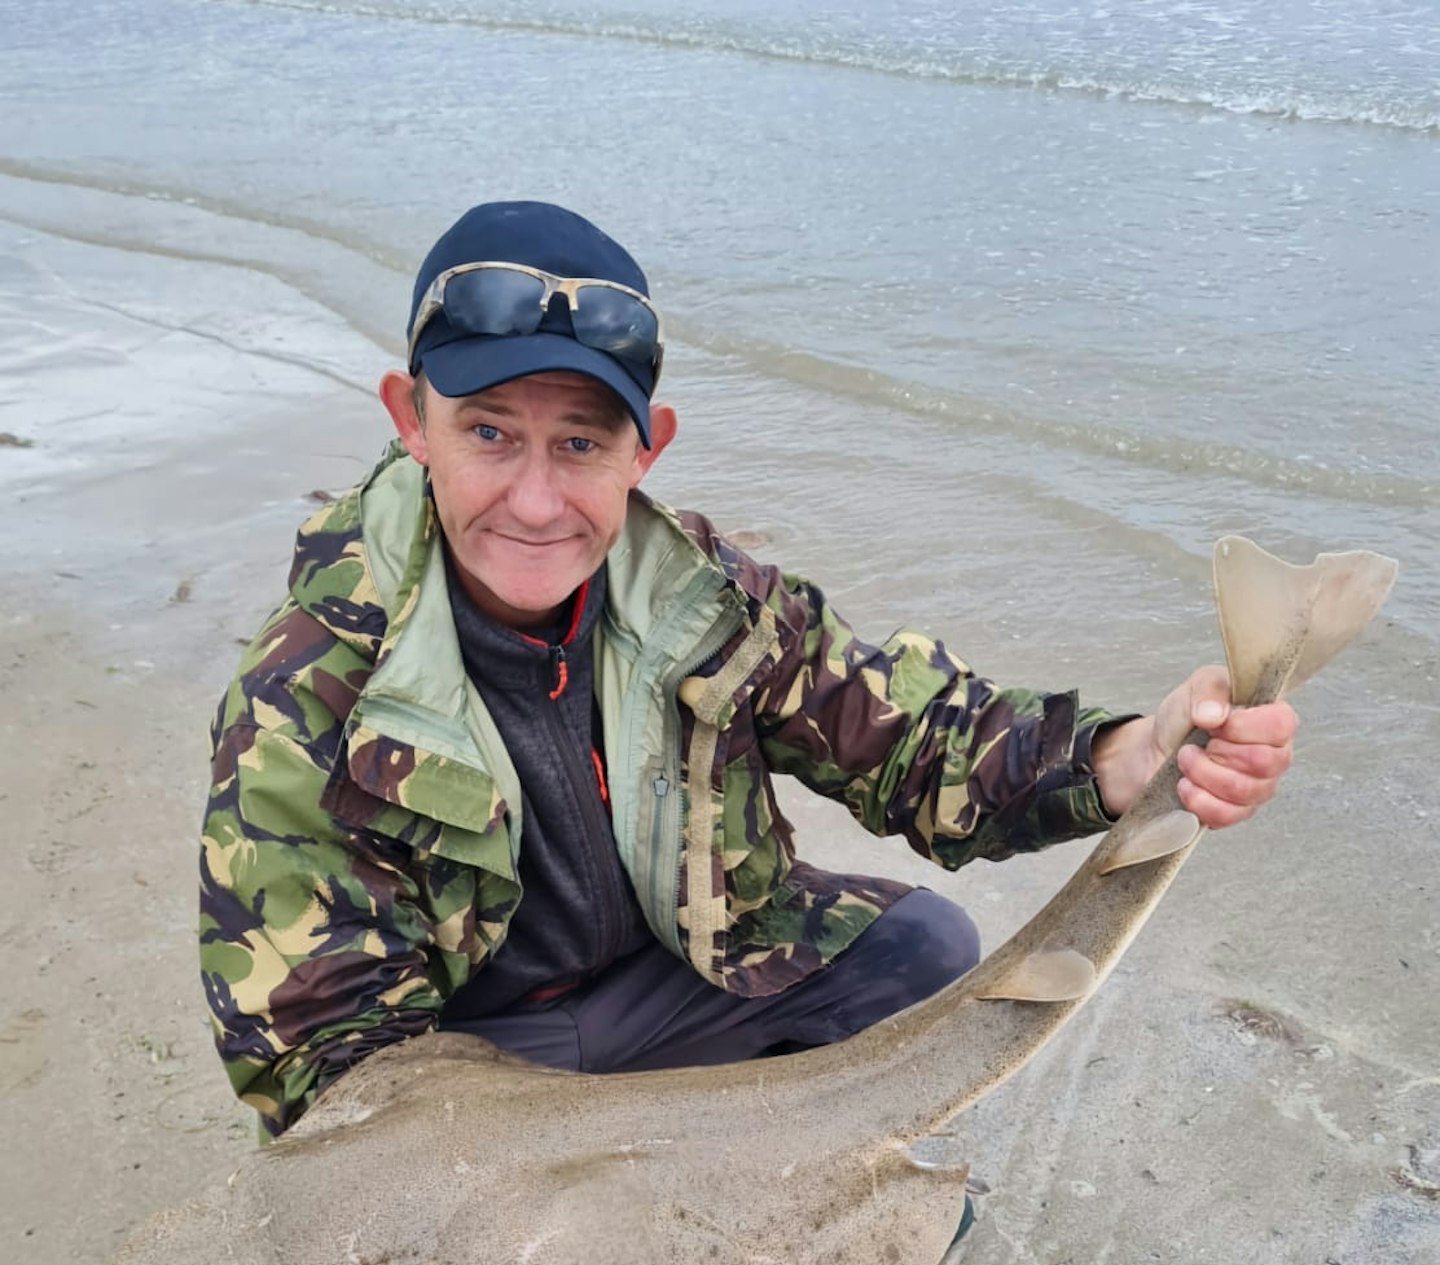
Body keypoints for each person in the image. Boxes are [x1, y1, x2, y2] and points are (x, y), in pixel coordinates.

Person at [201, 200, 1296, 1140]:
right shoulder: (305, 694)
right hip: (483, 1056)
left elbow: (911, 742)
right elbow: (323, 1070)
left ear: (648, 450)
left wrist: (1134, 753)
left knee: (921, 950)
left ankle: (779, 1186)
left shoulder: (709, 601)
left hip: (682, 984)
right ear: (412, 423)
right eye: (489, 432)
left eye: (581, 444)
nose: (535, 501)